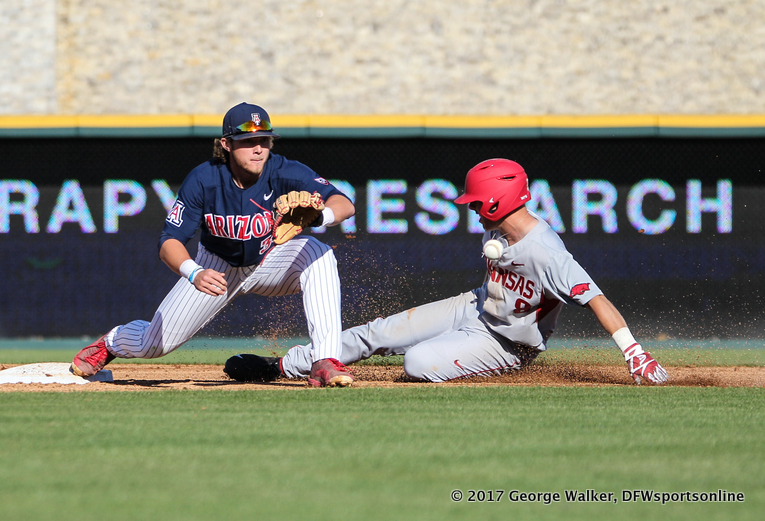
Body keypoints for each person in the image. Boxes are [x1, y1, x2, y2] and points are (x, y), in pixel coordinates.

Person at [225, 158, 668, 385]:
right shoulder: (497, 227)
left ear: (496, 201)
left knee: (418, 361)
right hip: (475, 308)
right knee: (379, 332)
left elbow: (596, 298)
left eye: (475, 202)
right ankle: (283, 365)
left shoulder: (545, 252)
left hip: (508, 343)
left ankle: (484, 365)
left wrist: (634, 353)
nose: (470, 208)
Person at [71, 102, 357, 387]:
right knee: (153, 344)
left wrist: (321, 216)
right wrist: (194, 272)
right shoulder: (204, 179)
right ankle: (111, 343)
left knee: (318, 253)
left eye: (264, 140)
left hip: (268, 261)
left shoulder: (285, 171)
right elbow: (169, 241)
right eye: (248, 141)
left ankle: (324, 360)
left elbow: (344, 203)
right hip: (215, 268)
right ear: (226, 144)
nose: (258, 148)